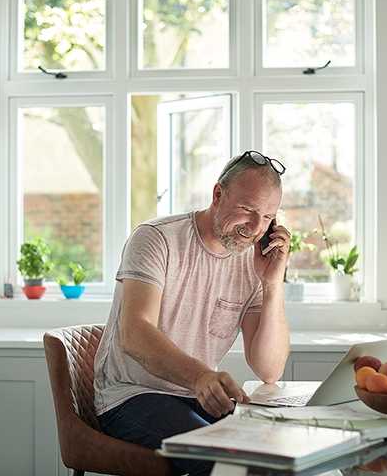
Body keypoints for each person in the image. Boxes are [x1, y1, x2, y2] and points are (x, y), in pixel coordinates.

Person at [93, 151, 291, 475]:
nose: (256, 228)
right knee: (226, 463)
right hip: (131, 396)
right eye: (247, 210)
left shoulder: (252, 261)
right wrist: (200, 376)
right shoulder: (157, 239)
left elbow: (269, 369)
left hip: (198, 398)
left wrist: (272, 284)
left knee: (274, 455)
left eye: (268, 217)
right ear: (217, 195)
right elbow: (135, 332)